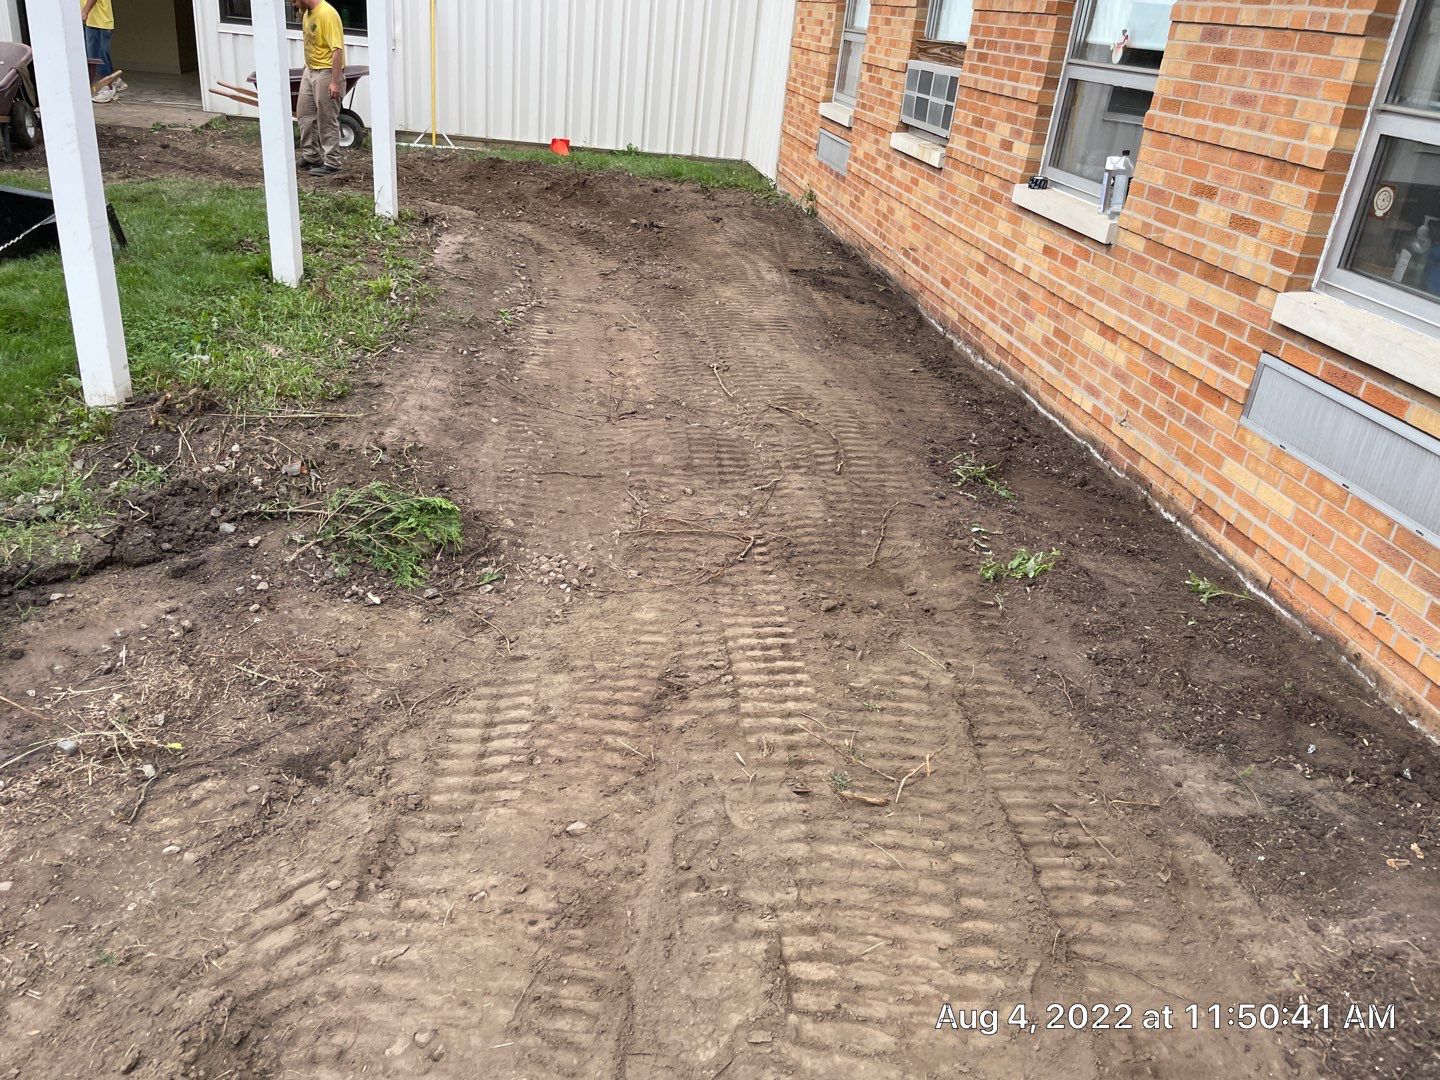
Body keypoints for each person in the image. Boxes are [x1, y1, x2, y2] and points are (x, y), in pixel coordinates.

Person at [295, 0, 346, 177]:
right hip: (309, 71)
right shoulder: (307, 13)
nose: (294, 5)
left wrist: (334, 81)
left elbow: (337, 50)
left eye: (294, 1)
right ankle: (311, 156)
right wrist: (306, 67)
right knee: (304, 116)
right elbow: (313, 44)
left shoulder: (327, 14)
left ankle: (333, 163)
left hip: (326, 73)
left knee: (326, 118)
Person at [82, 0, 126, 104]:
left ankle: (107, 88)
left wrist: (85, 11)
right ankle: (114, 81)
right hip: (91, 20)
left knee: (98, 57)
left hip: (98, 21)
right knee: (96, 55)